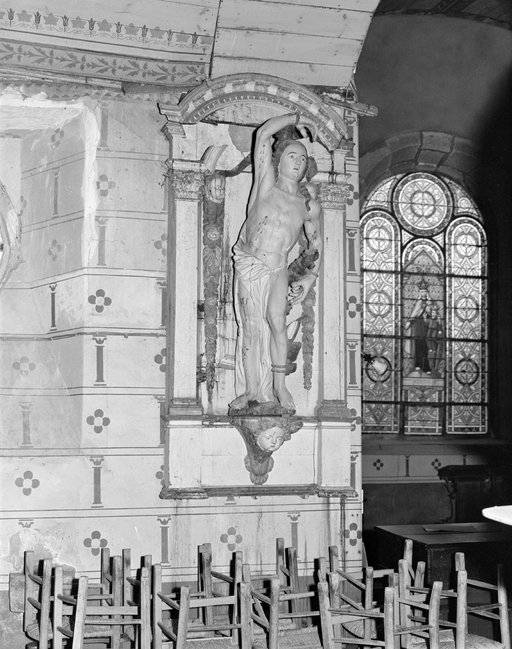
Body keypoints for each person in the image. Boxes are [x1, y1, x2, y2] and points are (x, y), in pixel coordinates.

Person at [229, 112, 322, 413]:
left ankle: (280, 387)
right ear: (279, 160)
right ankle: (251, 391)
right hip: (251, 263)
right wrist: (296, 117)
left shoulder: (308, 206)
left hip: (279, 267)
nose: (298, 162)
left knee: (277, 321)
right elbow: (262, 135)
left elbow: (317, 244)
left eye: (303, 159)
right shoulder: (266, 185)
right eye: (292, 156)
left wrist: (309, 278)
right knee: (251, 327)